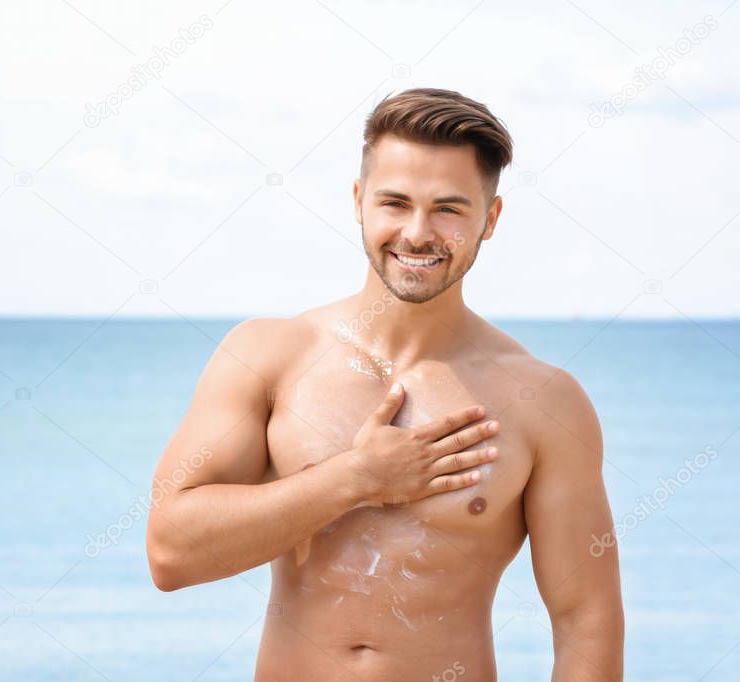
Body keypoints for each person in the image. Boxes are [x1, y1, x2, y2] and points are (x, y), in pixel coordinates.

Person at [147, 87, 624, 681]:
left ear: (490, 219)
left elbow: (586, 619)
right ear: (358, 202)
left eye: (449, 208)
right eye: (395, 202)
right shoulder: (268, 355)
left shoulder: (545, 403)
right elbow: (170, 553)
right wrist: (356, 478)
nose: (418, 233)